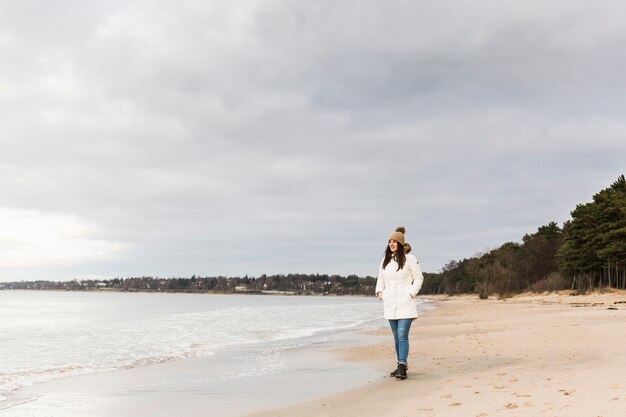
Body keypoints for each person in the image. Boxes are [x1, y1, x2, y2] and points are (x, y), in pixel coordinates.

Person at [375, 226, 424, 380]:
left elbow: (419, 278)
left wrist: (410, 293)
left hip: (405, 302)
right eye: (389, 241)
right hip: (390, 303)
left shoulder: (410, 259)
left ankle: (402, 366)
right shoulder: (385, 260)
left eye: (394, 241)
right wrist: (380, 292)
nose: (391, 244)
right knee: (396, 337)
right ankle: (399, 364)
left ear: (401, 243)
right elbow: (380, 279)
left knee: (402, 334)